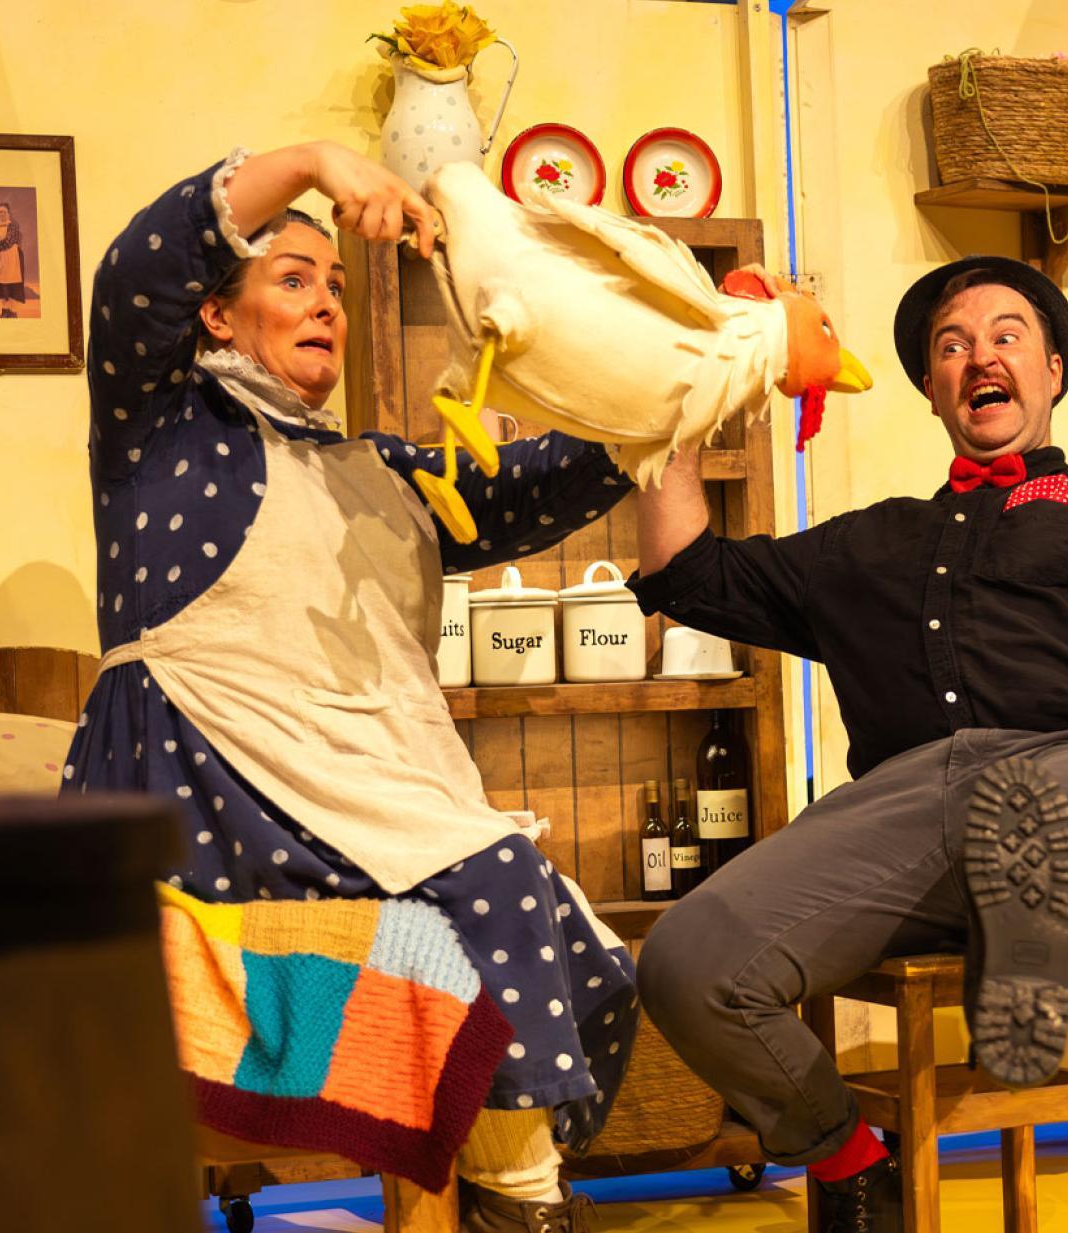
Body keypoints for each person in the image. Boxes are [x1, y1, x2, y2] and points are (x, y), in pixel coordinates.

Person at [628, 257, 1068, 1229]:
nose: (981, 355)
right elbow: (685, 574)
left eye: (1007, 335)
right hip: (907, 815)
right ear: (933, 388)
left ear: (1053, 370)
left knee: (1031, 803)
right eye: (953, 344)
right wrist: (684, 381)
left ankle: (1035, 941)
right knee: (688, 960)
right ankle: (848, 1157)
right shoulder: (865, 547)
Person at [62, 141, 635, 1233]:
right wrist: (320, 161)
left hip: (348, 814)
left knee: (564, 942)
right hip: (204, 807)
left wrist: (710, 359)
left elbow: (536, 483)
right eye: (291, 277)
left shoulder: (379, 473)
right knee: (502, 882)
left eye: (332, 282)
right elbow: (136, 268)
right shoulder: (159, 434)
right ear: (216, 316)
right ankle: (525, 1210)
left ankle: (515, 1199)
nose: (323, 299)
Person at [0, 201, 26, 317]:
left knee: (10, 284)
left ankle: (12, 311)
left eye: (4, 212)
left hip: (11, 258)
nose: (1, 214)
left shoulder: (12, 226)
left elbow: (9, 241)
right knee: (1, 285)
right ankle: (4, 310)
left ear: (9, 213)